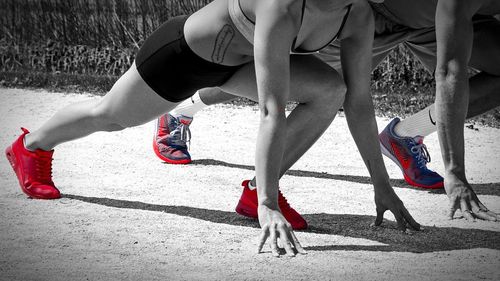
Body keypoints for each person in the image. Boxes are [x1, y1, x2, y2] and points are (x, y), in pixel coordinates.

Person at [4, 0, 419, 257]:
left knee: (331, 90)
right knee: (109, 117)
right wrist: (272, 208)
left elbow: (360, 103)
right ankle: (31, 145)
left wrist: (381, 184)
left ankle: (257, 190)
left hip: (235, 66)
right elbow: (271, 110)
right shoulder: (283, 4)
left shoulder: (358, 13)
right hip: (186, 56)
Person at [154, 0, 500, 222]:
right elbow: (450, 71)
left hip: (429, 17)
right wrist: (455, 173)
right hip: (374, 12)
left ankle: (405, 133)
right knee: (293, 82)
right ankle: (186, 108)